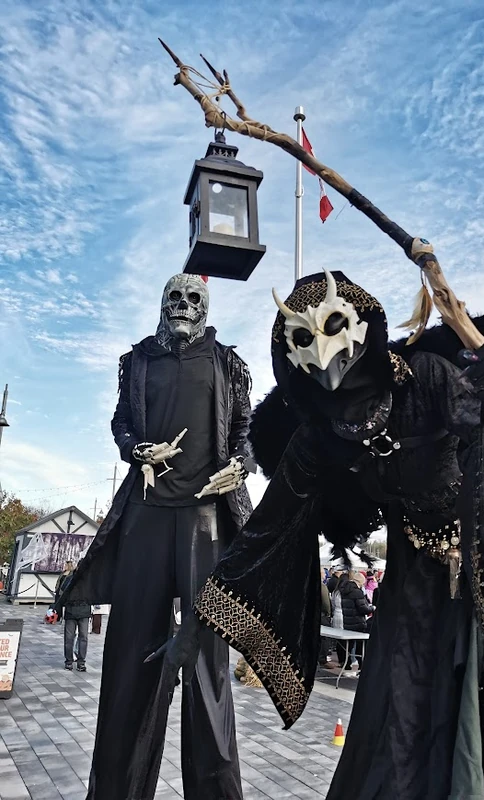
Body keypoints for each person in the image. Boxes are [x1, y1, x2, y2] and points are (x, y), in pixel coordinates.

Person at [167, 270, 484, 799]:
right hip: (411, 593)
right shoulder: (318, 437)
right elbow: (266, 529)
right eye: (302, 338)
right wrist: (197, 626)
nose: (323, 352)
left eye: (331, 326)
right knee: (401, 730)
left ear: (362, 326)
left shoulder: (427, 378)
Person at [57, 273, 253, 800]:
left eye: (194, 299)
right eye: (175, 297)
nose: (183, 306)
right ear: (161, 303)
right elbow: (121, 422)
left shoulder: (228, 363)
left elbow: (242, 431)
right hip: (145, 515)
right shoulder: (138, 359)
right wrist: (137, 451)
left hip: (206, 522)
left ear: (206, 308)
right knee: (129, 658)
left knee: (209, 668)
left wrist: (241, 463)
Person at [331, 571, 373, 674]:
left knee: (348, 644)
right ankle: (361, 665)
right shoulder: (357, 592)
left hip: (347, 621)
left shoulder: (343, 591)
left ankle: (347, 663)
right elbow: (363, 608)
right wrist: (372, 608)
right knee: (360, 645)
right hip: (358, 621)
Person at [55, 561, 91, 671]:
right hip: (72, 611)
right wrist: (58, 610)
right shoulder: (70, 578)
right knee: (71, 638)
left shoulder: (88, 579)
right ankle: (70, 661)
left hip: (83, 611)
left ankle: (80, 661)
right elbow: (61, 593)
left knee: (82, 637)